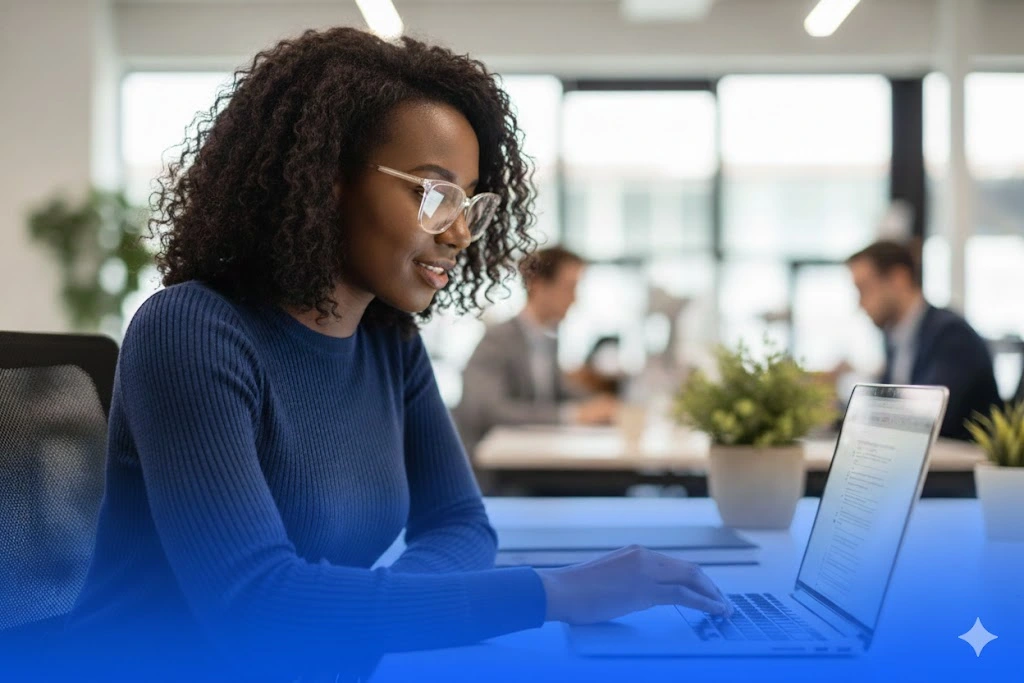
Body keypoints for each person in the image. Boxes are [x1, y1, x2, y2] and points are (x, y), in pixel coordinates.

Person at [58, 28, 730, 682]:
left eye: (470, 203)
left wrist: (362, 618)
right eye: (434, 194)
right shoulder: (190, 330)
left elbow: (461, 524)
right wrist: (550, 595)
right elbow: (257, 606)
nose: (460, 231)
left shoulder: (389, 343)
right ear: (326, 180)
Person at [453, 247, 620, 456]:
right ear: (538, 286)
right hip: (493, 466)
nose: (574, 299)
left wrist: (602, 405)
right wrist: (572, 415)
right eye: (569, 287)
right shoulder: (497, 340)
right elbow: (490, 411)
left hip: (531, 452)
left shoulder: (548, 339)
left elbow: (560, 389)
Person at [846, 240, 1001, 440]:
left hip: (958, 464)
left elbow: (925, 416)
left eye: (864, 288)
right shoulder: (895, 337)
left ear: (898, 278)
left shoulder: (951, 334)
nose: (860, 303)